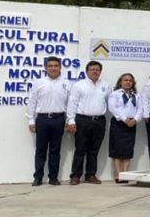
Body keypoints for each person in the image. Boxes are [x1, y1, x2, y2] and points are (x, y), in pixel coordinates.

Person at [26, 56, 70, 186]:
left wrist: (69, 120)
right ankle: (38, 177)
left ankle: (53, 178)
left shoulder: (66, 84)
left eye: (56, 66)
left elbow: (69, 104)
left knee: (55, 150)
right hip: (42, 120)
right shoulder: (38, 83)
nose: (53, 68)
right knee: (40, 150)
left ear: (60, 67)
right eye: (50, 66)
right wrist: (31, 120)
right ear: (45, 68)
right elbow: (32, 102)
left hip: (59, 119)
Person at [66, 60, 110, 185]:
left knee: (94, 150)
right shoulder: (79, 85)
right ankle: (75, 175)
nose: (95, 72)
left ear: (100, 72)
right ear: (87, 72)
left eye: (97, 70)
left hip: (99, 121)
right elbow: (72, 104)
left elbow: (110, 103)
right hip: (82, 120)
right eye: (92, 69)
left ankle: (90, 174)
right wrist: (71, 120)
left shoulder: (105, 86)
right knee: (80, 149)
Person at [107, 73, 142, 184]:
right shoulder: (115, 94)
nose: (127, 82)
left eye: (130, 80)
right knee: (117, 149)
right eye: (125, 80)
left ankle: (126, 174)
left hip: (132, 123)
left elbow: (140, 109)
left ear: (133, 83)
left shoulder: (136, 95)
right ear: (120, 82)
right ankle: (118, 174)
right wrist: (124, 119)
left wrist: (135, 120)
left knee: (128, 149)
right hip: (119, 123)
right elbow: (112, 108)